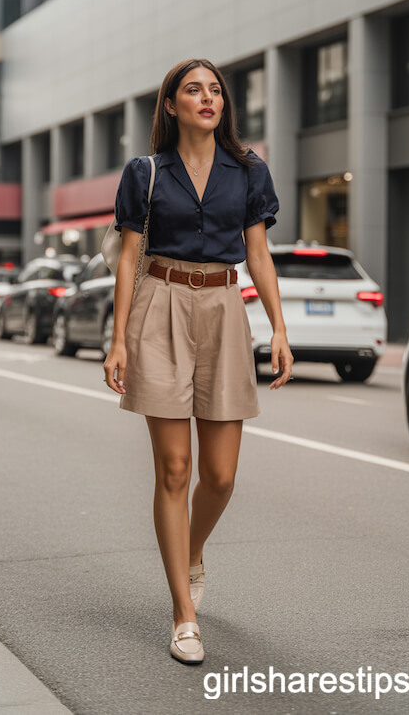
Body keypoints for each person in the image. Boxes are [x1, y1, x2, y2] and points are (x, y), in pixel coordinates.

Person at [103, 58, 293, 664]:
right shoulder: (147, 173)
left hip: (222, 305)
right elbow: (129, 257)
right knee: (175, 469)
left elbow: (259, 255)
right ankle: (184, 613)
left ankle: (190, 550)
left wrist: (279, 329)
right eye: (193, 90)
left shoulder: (248, 170)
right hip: (159, 304)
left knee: (220, 475)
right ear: (171, 104)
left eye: (215, 90)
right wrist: (119, 338)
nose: (207, 98)